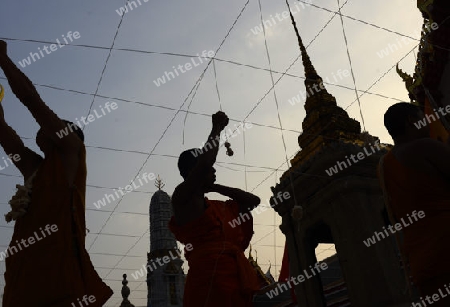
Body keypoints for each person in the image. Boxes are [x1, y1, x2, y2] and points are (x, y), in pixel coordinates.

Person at [0, 40, 113, 307]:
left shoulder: (72, 150)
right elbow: (5, 136)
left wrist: (3, 59)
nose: (48, 125)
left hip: (60, 278)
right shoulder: (36, 170)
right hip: (26, 275)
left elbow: (32, 102)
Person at [169, 111, 261, 306]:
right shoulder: (182, 196)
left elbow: (253, 200)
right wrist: (217, 128)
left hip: (235, 276)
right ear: (194, 171)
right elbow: (205, 163)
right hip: (208, 277)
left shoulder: (218, 206)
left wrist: (215, 188)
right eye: (210, 168)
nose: (214, 170)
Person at [379, 102, 450, 305]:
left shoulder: (384, 165)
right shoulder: (425, 147)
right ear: (411, 121)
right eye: (423, 117)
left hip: (423, 263)